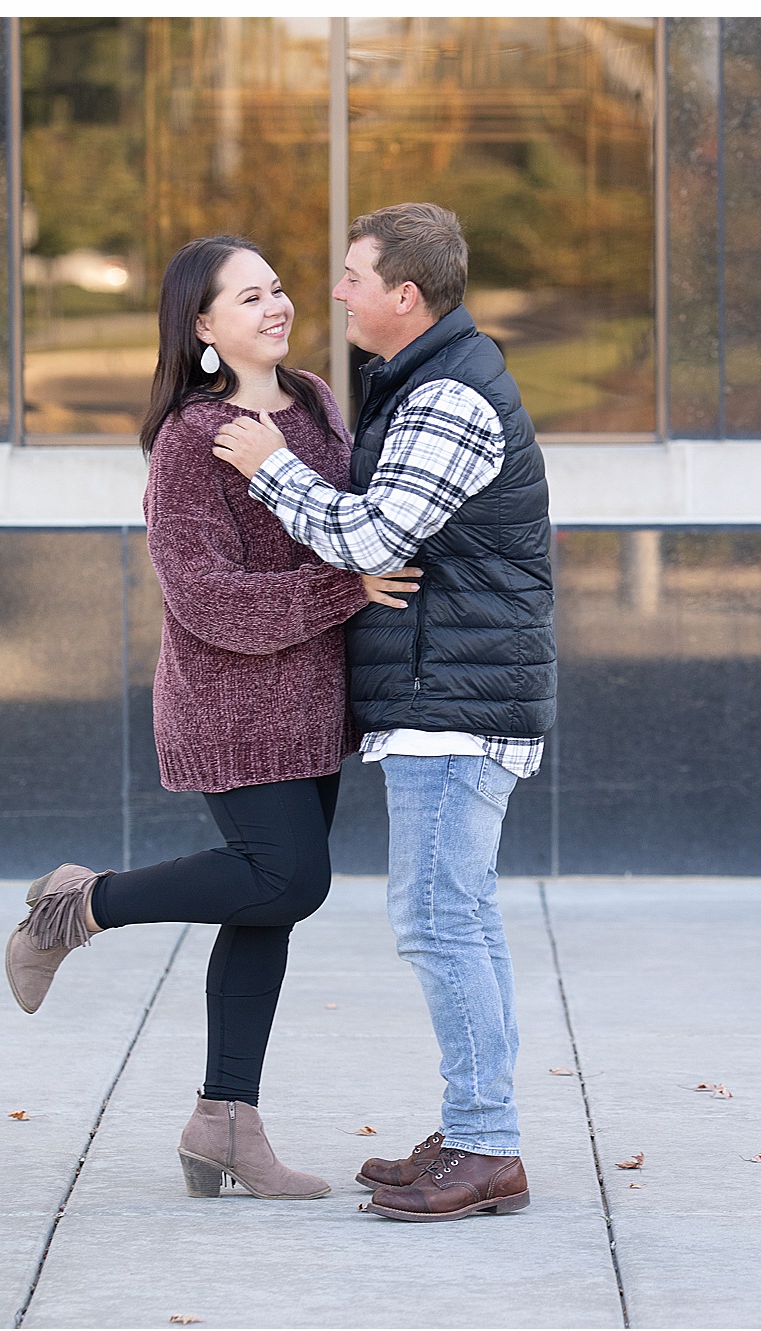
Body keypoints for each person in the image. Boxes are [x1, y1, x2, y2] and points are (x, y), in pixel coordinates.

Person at [3, 235, 421, 1201]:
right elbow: (208, 599)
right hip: (231, 704)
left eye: (278, 289)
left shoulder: (316, 400)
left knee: (265, 903)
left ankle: (224, 1122)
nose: (276, 306)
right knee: (290, 879)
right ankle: (78, 906)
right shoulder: (192, 440)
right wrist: (346, 588)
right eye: (249, 297)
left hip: (316, 703)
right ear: (202, 326)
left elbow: (346, 517)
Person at [212, 202, 555, 1224]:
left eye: (354, 275)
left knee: (439, 920)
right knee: (463, 919)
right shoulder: (418, 378)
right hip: (443, 694)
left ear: (406, 295)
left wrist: (265, 467)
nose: (336, 291)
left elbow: (371, 537)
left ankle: (488, 1143)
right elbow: (377, 542)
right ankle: (475, 1126)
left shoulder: (450, 395)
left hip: (453, 704)